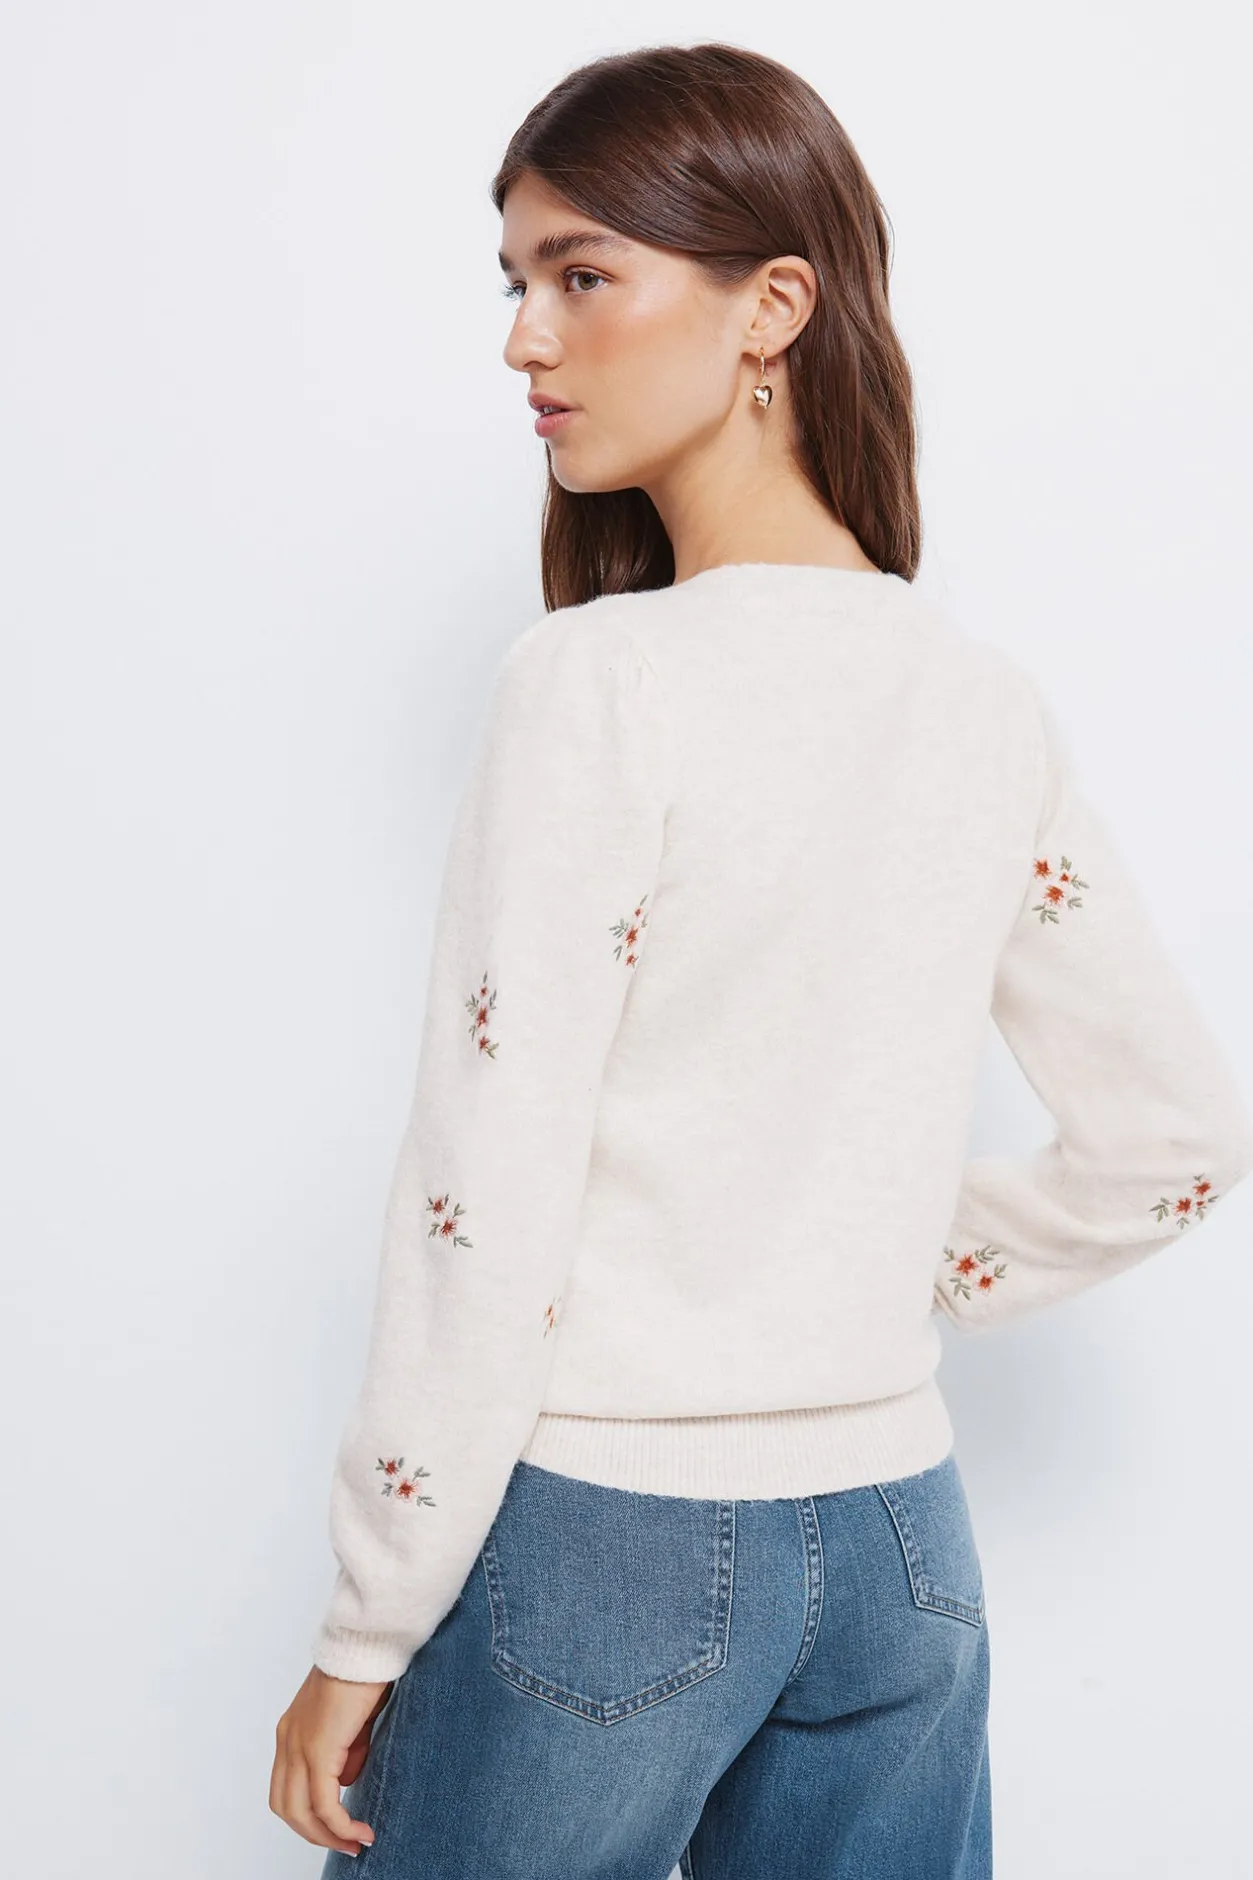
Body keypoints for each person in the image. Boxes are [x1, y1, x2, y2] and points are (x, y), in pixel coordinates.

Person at [268, 41, 1253, 1880]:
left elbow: (488, 1201)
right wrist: (871, 1261)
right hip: (901, 1549)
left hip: (605, 1546)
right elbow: (1175, 1138)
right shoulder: (975, 698)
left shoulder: (598, 681)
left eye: (582, 275)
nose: (525, 340)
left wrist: (367, 1621)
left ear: (772, 308)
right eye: (516, 281)